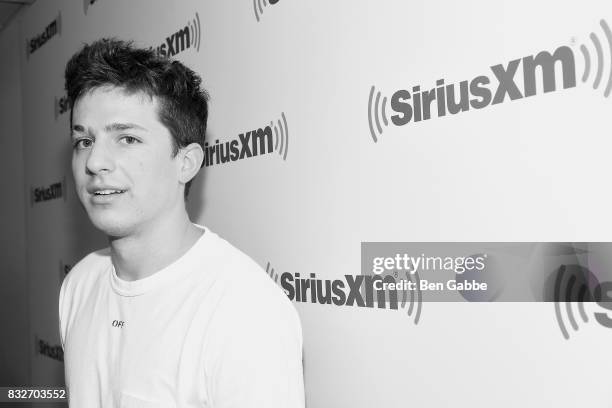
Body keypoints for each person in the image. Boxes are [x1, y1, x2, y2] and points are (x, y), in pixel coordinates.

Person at [58, 38, 305, 408]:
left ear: (186, 162)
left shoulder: (245, 310)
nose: (95, 162)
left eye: (126, 138)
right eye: (84, 140)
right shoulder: (79, 284)